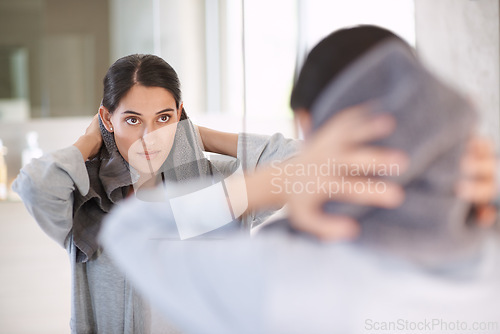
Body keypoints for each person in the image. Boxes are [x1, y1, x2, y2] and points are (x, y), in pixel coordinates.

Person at [99, 26, 500, 334]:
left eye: (165, 119)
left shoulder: (288, 276)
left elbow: (127, 233)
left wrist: (278, 179)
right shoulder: (487, 246)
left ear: (311, 126)